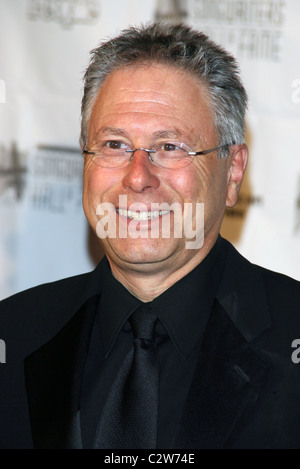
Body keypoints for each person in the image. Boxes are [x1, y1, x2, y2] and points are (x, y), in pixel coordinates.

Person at [0, 22, 300, 450]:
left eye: (171, 146)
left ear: (232, 171)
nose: (137, 177)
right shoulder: (13, 334)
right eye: (115, 144)